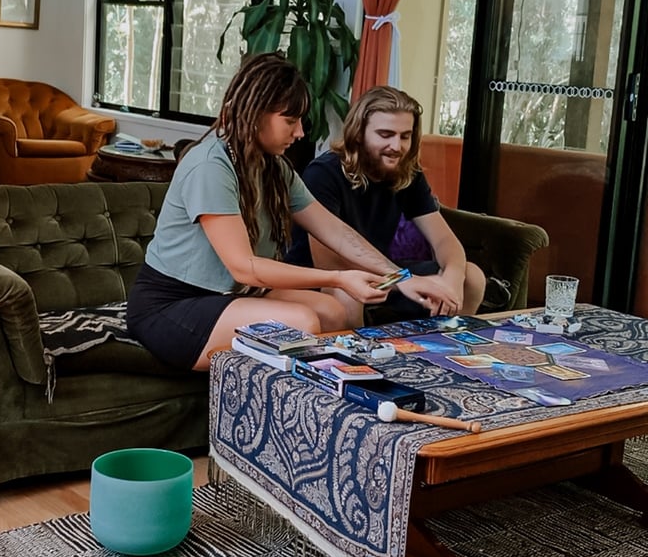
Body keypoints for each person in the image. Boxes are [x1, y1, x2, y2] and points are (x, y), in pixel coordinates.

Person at [126, 53, 458, 371]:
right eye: (290, 120)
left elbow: (336, 233)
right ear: (255, 114)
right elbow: (246, 268)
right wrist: (337, 277)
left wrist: (403, 279)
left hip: (230, 295)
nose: (300, 132)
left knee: (331, 311)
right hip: (171, 305)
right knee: (303, 322)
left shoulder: (274, 168)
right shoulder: (211, 165)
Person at [286, 85, 485, 327]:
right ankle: (357, 362)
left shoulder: (407, 173)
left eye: (405, 136)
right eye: (385, 134)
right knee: (345, 294)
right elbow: (329, 263)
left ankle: (443, 353)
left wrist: (453, 276)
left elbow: (444, 240)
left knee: (471, 277)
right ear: (358, 133)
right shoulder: (323, 173)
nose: (397, 146)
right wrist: (401, 278)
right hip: (330, 278)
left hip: (383, 274)